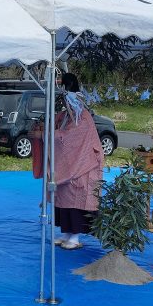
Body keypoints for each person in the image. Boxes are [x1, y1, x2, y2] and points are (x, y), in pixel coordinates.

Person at [52, 72, 104, 250]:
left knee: (76, 201)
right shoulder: (70, 113)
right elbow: (62, 129)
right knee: (65, 198)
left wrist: (49, 135)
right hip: (72, 164)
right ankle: (67, 233)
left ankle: (74, 236)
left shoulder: (82, 114)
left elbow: (72, 137)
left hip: (85, 164)